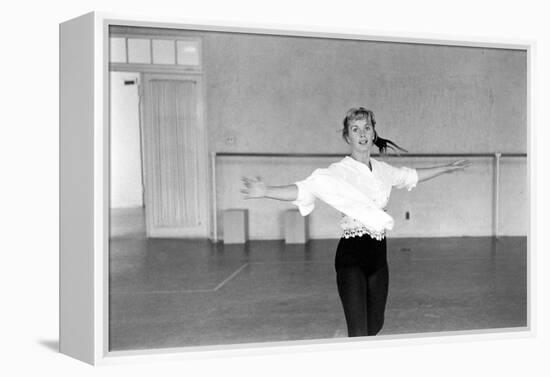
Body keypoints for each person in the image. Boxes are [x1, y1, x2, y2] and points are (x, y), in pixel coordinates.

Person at [241, 107, 470, 337]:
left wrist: (446, 169)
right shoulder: (336, 172)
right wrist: (266, 190)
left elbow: (411, 176)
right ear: (347, 137)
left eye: (367, 128)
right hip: (351, 258)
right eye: (355, 129)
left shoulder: (383, 171)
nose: (362, 134)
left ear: (373, 134)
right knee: (359, 332)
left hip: (379, 257)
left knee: (375, 326)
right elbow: (304, 189)